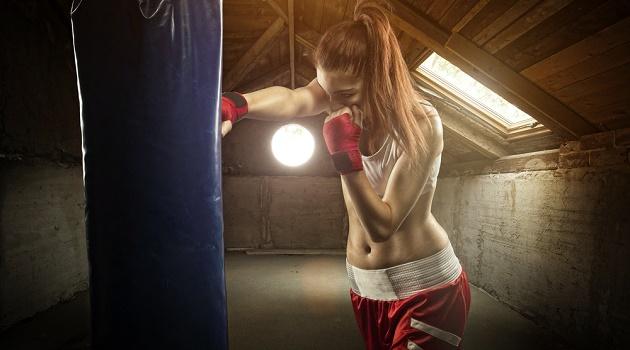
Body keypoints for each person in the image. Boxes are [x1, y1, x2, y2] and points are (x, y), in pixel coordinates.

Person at [221, 1, 470, 349]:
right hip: (366, 290)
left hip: (426, 291)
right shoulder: (339, 94)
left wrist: (345, 159)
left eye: (345, 95)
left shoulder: (421, 123)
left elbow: (383, 227)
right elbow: (294, 99)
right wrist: (236, 104)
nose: (332, 103)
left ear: (380, 79)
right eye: (326, 92)